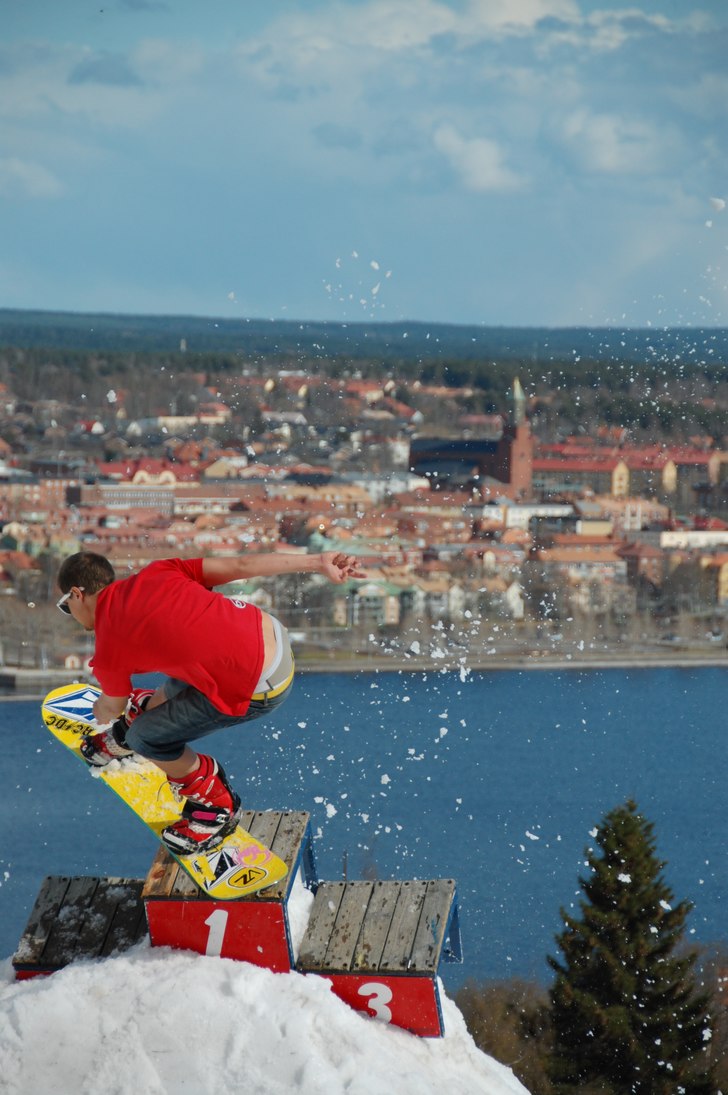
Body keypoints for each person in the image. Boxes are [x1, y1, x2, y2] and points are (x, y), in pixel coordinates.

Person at [55, 549, 365, 855]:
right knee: (188, 660)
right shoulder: (160, 571)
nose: (69, 614)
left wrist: (102, 710)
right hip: (266, 631)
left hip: (260, 683)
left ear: (76, 594)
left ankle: (215, 804)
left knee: (144, 738)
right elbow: (241, 564)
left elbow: (111, 707)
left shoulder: (109, 646)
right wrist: (316, 562)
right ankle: (144, 713)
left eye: (65, 606)